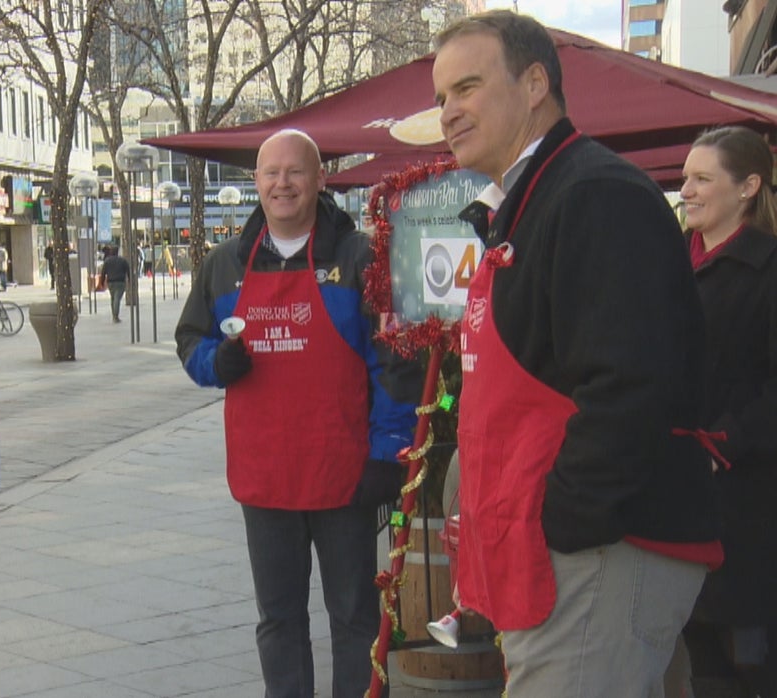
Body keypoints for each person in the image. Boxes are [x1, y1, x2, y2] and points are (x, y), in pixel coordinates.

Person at [433, 11, 720, 696]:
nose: (448, 111)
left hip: (598, 555)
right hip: (576, 557)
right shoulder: (534, 200)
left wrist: (562, 524)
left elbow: (630, 386)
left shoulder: (593, 195)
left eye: (467, 87)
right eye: (442, 96)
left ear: (535, 84)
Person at [175, 128, 419, 697]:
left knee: (356, 617)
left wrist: (387, 455)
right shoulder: (224, 265)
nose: (282, 183)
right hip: (264, 478)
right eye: (270, 173)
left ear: (319, 179)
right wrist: (217, 363)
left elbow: (394, 362)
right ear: (256, 182)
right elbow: (190, 341)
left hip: (345, 476)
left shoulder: (359, 258)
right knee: (279, 620)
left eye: (295, 171)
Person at [677, 125, 777, 697]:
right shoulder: (676, 267)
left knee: (750, 665)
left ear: (748, 187)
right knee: (706, 671)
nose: (686, 189)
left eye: (701, 178)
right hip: (688, 508)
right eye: (686, 177)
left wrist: (724, 441)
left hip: (751, 514)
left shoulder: (767, 270)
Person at [100, 244, 129, 323]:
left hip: (111, 282)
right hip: (120, 282)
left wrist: (102, 282)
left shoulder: (107, 261)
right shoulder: (122, 260)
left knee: (113, 298)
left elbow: (103, 272)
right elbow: (128, 270)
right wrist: (129, 280)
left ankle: (114, 315)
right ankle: (115, 316)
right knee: (117, 298)